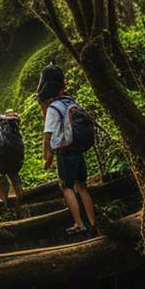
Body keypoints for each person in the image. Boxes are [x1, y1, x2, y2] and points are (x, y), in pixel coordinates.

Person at [44, 92, 98, 235]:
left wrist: (48, 155)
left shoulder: (53, 108)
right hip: (78, 149)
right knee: (82, 187)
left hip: (65, 152)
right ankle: (93, 223)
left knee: (67, 187)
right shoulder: (71, 102)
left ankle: (79, 224)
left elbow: (47, 134)